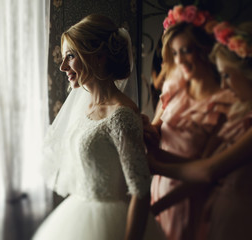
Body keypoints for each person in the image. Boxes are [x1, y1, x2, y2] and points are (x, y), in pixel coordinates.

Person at [146, 21, 252, 240]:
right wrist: (153, 155)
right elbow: (200, 164)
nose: (225, 87)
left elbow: (208, 171)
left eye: (227, 75)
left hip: (245, 224)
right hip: (218, 219)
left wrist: (155, 165)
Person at [32, 14, 166, 240]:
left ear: (99, 57)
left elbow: (141, 190)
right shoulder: (84, 108)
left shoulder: (121, 115)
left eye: (70, 56)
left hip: (111, 222)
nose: (63, 66)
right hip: (78, 212)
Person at [147, 4, 236, 240]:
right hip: (158, 189)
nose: (180, 60)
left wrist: (156, 207)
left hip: (189, 200)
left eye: (186, 51)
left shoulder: (225, 103)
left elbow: (207, 170)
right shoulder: (173, 87)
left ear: (205, 49)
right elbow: (155, 131)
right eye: (175, 53)